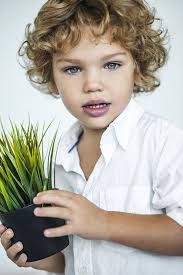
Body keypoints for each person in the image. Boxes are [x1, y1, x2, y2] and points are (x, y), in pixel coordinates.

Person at [1, 0, 183, 274]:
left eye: (111, 65)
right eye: (72, 69)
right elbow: (77, 259)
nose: (92, 84)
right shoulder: (61, 157)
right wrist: (47, 260)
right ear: (51, 76)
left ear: (138, 67)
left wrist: (102, 222)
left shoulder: (164, 141)